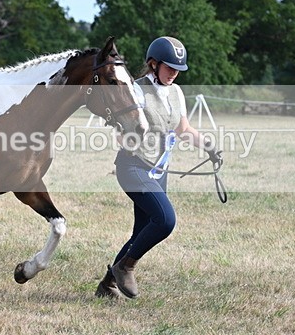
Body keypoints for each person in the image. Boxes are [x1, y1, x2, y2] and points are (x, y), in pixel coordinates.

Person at [95, 36, 222, 299]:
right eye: (169, 67)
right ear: (153, 64)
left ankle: (107, 284)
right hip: (133, 166)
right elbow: (122, 123)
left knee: (141, 232)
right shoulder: (137, 89)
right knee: (165, 220)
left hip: (158, 170)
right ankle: (126, 267)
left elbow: (183, 129)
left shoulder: (175, 93)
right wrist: (125, 135)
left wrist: (209, 146)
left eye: (178, 69)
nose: (174, 73)